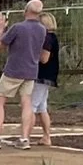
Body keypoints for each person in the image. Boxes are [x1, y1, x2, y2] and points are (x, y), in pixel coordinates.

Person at [0, 0, 48, 149]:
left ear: (26, 11)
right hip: (31, 71)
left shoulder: (18, 27)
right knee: (26, 103)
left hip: (14, 70)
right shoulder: (42, 29)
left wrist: (0, 30)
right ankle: (24, 139)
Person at [33, 11, 60, 147]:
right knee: (42, 106)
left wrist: (31, 56)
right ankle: (46, 136)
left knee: (31, 105)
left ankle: (24, 135)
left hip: (41, 75)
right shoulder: (52, 37)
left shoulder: (47, 38)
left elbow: (44, 59)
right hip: (47, 75)